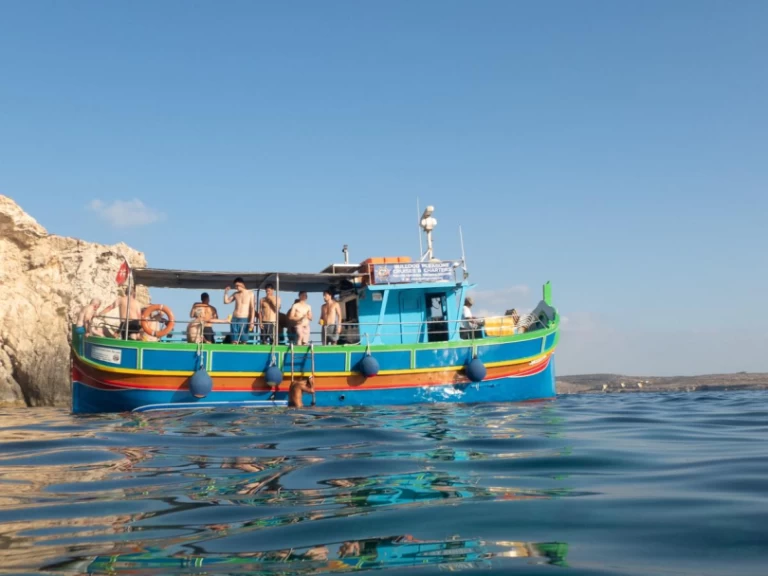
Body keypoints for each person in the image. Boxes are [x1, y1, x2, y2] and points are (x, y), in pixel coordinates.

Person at [224, 278, 255, 344]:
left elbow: (252, 308)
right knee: (234, 339)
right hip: (235, 318)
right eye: (235, 286)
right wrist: (226, 292)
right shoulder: (236, 294)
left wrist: (252, 321)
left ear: (242, 284)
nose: (236, 287)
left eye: (237, 285)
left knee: (244, 340)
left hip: (244, 318)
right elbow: (226, 301)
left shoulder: (250, 293)